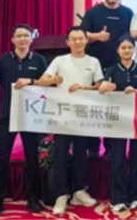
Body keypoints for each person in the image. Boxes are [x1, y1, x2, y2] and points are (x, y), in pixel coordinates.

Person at [0, 24, 47, 218]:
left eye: (26, 35)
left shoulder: (39, 60)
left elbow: (47, 82)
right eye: (19, 36)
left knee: (32, 159)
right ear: (12, 40)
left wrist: (31, 81)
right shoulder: (3, 60)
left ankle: (33, 198)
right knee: (2, 159)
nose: (22, 39)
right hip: (7, 116)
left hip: (31, 116)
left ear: (31, 39)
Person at [36, 26, 104, 215]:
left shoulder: (93, 61)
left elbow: (100, 86)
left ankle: (79, 191)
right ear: (67, 42)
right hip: (62, 116)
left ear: (86, 40)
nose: (77, 42)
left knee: (82, 153)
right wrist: (53, 80)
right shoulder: (59, 60)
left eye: (81, 38)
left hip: (83, 115)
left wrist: (83, 87)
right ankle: (61, 194)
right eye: (73, 39)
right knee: (61, 154)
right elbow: (41, 81)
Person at [81, 0, 133, 157]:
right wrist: (97, 36)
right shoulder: (93, 12)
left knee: (113, 108)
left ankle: (111, 148)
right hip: (94, 66)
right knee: (93, 107)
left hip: (118, 67)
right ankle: (93, 148)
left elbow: (131, 38)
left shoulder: (128, 12)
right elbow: (81, 35)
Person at [97, 35, 137, 212]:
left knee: (136, 159)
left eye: (130, 47)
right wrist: (106, 87)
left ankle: (136, 196)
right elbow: (102, 88)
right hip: (117, 120)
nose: (127, 51)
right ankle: (118, 198)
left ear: (134, 49)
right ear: (118, 50)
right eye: (123, 48)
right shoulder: (112, 70)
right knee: (118, 160)